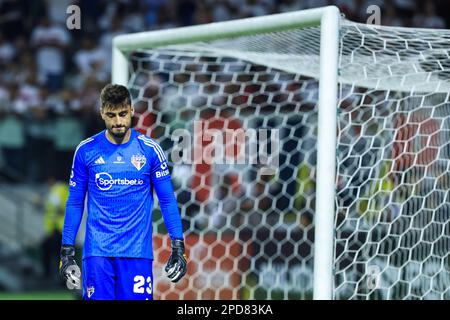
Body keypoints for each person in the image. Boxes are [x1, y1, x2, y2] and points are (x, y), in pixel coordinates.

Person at [59, 84, 187, 300]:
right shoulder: (86, 150)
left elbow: (167, 200)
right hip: (98, 253)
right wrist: (67, 251)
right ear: (102, 113)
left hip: (137, 253)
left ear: (131, 110)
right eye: (111, 115)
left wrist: (178, 246)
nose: (118, 121)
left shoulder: (150, 150)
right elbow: (74, 203)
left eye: (122, 114)